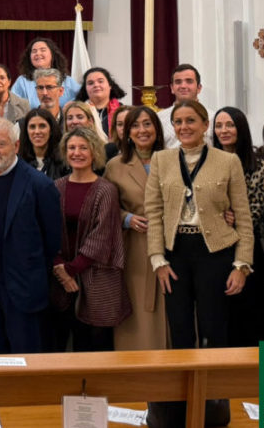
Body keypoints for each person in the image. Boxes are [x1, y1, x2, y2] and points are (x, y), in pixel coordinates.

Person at [146, 100, 253, 353]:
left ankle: (216, 390)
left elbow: (243, 217)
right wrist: (158, 259)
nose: (184, 127)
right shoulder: (161, 159)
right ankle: (183, 390)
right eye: (178, 122)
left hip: (215, 252)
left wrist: (242, 266)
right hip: (175, 252)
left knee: (213, 326)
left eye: (191, 120)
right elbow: (153, 212)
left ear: (206, 125)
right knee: (180, 327)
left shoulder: (228, 161)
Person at [0, 119, 61, 354]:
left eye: (1, 144)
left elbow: (52, 240)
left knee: (25, 358)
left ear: (16, 146)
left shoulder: (40, 185)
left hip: (22, 288)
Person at [50, 127, 130, 352]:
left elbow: (102, 237)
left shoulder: (106, 190)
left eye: (83, 148)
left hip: (95, 275)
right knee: (61, 342)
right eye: (72, 148)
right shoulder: (56, 187)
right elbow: (48, 231)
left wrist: (70, 270)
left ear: (94, 152)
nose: (77, 153)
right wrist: (59, 268)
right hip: (61, 277)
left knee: (94, 343)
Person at [103, 105, 168, 350]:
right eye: (135, 125)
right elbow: (107, 207)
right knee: (139, 312)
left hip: (171, 244)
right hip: (135, 249)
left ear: (157, 129)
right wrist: (127, 218)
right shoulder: (115, 165)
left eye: (147, 124)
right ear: (126, 132)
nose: (142, 130)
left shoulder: (173, 159)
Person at [212, 107, 264, 346]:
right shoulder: (207, 161)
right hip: (214, 246)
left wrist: (233, 216)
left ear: (241, 128)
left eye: (230, 125)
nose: (224, 130)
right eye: (219, 126)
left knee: (246, 314)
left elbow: (255, 210)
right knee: (220, 313)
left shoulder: (256, 165)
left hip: (248, 245)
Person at [10, 38, 79, 109]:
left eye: (43, 50)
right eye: (34, 51)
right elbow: (13, 106)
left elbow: (84, 98)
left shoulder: (67, 80)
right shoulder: (22, 81)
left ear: (52, 54)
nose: (38, 53)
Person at [156, 64, 209, 149]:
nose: (183, 86)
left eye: (189, 81)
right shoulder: (159, 118)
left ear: (199, 88)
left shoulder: (212, 117)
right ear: (172, 88)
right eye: (178, 82)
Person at [75, 67, 127, 136]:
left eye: (100, 81)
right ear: (85, 88)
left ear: (110, 85)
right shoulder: (77, 112)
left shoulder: (123, 111)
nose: (96, 85)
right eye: (90, 83)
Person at [19, 107, 67, 180]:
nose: (37, 131)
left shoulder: (64, 162)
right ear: (26, 131)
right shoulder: (18, 163)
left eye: (42, 126)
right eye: (32, 127)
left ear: (51, 130)